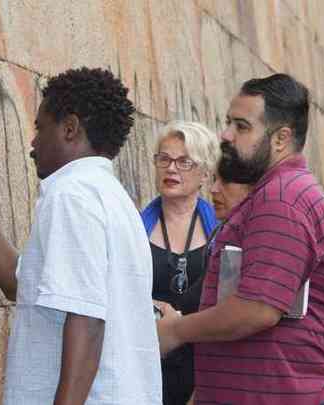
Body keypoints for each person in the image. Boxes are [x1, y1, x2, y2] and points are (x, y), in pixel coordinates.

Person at [0, 67, 161, 405]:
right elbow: (20, 285)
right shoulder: (111, 197)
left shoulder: (71, 196)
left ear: (70, 128)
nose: (33, 143)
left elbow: (87, 321)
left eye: (40, 128)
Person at [156, 73, 324, 404]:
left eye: (241, 126)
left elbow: (257, 310)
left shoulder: (281, 199)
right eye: (228, 123)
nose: (225, 135)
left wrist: (175, 331)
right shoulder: (274, 194)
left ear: (281, 138)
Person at [140, 121, 218, 405]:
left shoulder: (221, 232)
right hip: (147, 361)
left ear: (205, 173)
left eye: (184, 162)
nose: (171, 168)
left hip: (204, 363)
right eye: (164, 159)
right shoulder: (135, 229)